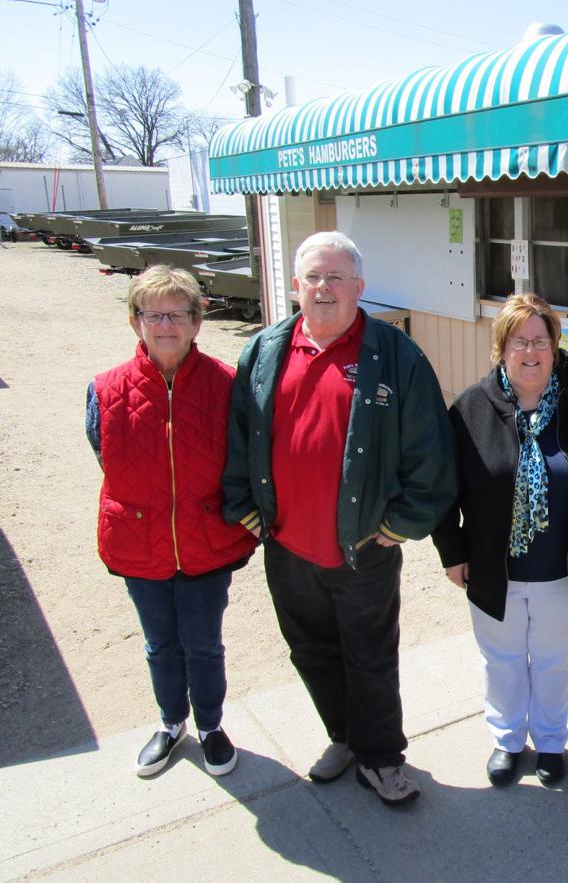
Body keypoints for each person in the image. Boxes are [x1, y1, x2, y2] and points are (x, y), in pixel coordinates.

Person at [222, 231, 456, 808]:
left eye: (336, 277)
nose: (323, 288)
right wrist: (249, 513)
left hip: (363, 549)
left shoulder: (396, 355)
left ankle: (381, 759)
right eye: (312, 277)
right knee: (310, 650)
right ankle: (343, 737)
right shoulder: (264, 351)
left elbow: (431, 451)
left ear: (359, 286)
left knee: (370, 656)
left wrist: (401, 525)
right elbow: (237, 439)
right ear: (296, 285)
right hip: (287, 546)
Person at [86, 265, 256, 779]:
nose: (166, 325)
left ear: (197, 321)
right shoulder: (105, 389)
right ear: (136, 321)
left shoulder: (227, 384)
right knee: (160, 643)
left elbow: (243, 459)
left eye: (177, 314)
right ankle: (170, 723)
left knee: (204, 644)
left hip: (206, 540)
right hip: (141, 542)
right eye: (153, 314)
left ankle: (210, 726)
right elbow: (105, 452)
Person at [433, 294, 568, 788]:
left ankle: (550, 742)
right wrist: (452, 552)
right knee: (502, 663)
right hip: (493, 570)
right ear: (501, 348)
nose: (531, 352)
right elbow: (446, 487)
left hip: (562, 571)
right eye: (519, 341)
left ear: (555, 347)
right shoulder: (470, 408)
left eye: (540, 341)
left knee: (554, 663)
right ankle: (507, 740)